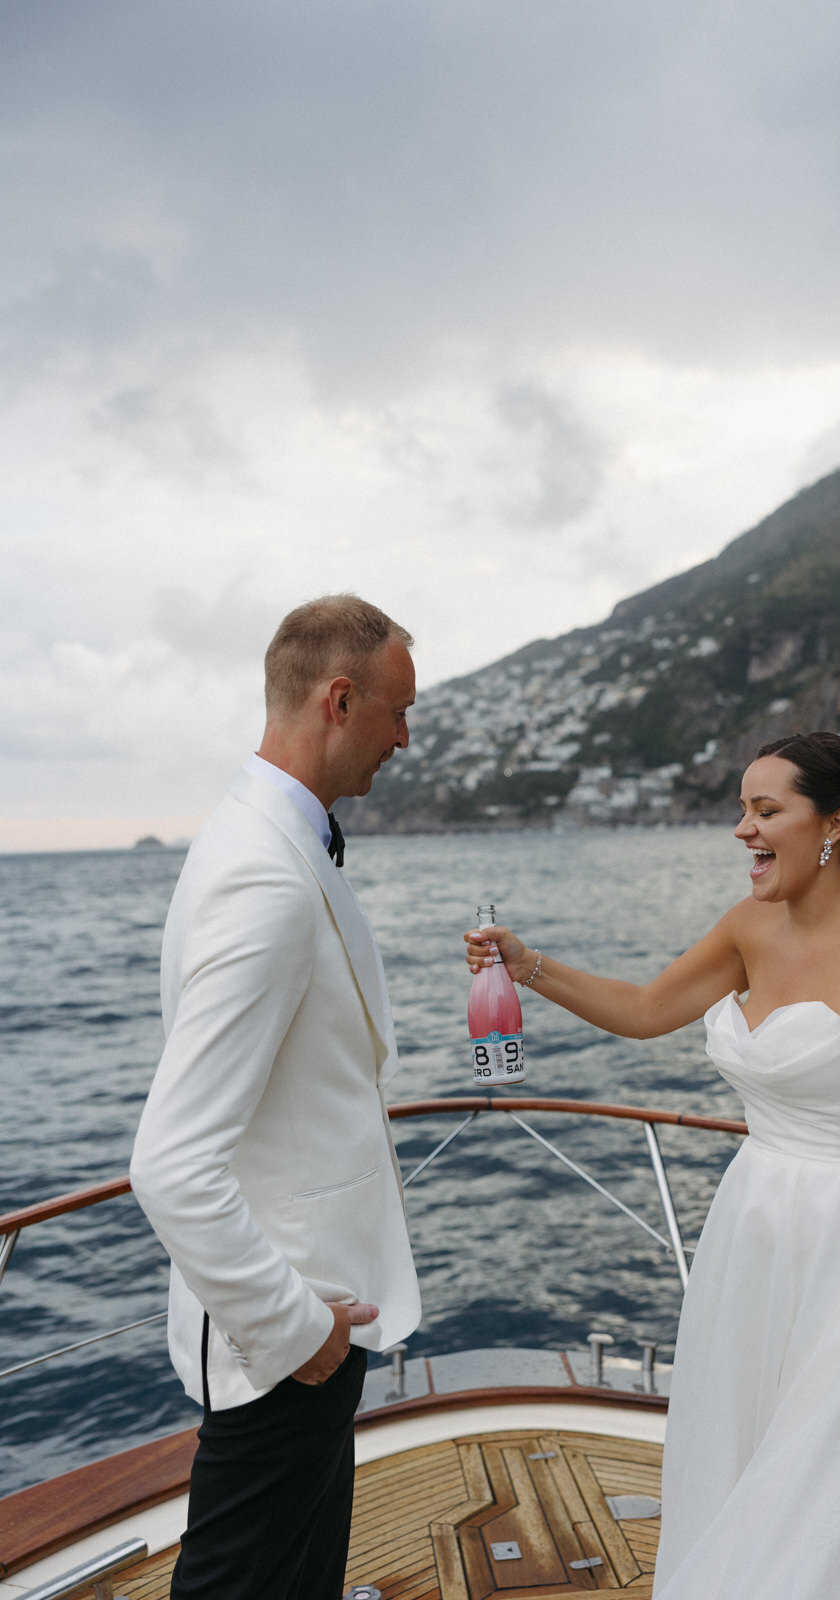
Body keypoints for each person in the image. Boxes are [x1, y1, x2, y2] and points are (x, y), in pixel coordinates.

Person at [465, 732, 840, 1600]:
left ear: (833, 823)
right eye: (742, 809)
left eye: (764, 809)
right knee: (751, 1457)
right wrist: (529, 966)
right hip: (751, 1236)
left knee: (834, 1481)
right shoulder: (747, 927)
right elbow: (645, 1010)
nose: (742, 828)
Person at [131, 593, 422, 1600]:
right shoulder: (264, 872)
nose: (404, 735)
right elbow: (169, 1163)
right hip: (282, 1333)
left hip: (314, 1312)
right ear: (339, 699)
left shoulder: (276, 840)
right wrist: (302, 1334)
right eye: (396, 709)